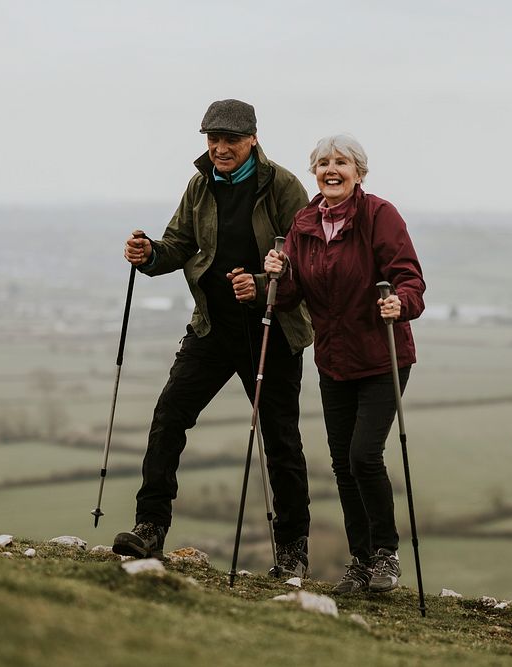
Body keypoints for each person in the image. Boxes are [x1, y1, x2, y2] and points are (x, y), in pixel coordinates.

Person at [114, 99, 314, 577]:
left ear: (252, 139)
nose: (220, 148)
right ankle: (150, 529)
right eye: (212, 139)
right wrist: (148, 255)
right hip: (212, 326)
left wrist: (261, 287)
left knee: (281, 439)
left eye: (230, 139)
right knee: (169, 417)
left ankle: (291, 551)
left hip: (272, 329)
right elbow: (179, 244)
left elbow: (307, 263)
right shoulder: (201, 184)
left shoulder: (284, 186)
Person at [260, 134, 425, 594]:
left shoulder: (379, 216)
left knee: (363, 456)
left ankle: (386, 556)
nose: (331, 170)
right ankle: (362, 560)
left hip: (381, 357)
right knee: (342, 463)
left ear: (359, 172)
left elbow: (409, 275)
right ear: (314, 172)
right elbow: (292, 296)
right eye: (323, 163)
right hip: (332, 360)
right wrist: (279, 273)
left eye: (342, 163)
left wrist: (401, 302)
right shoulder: (305, 222)